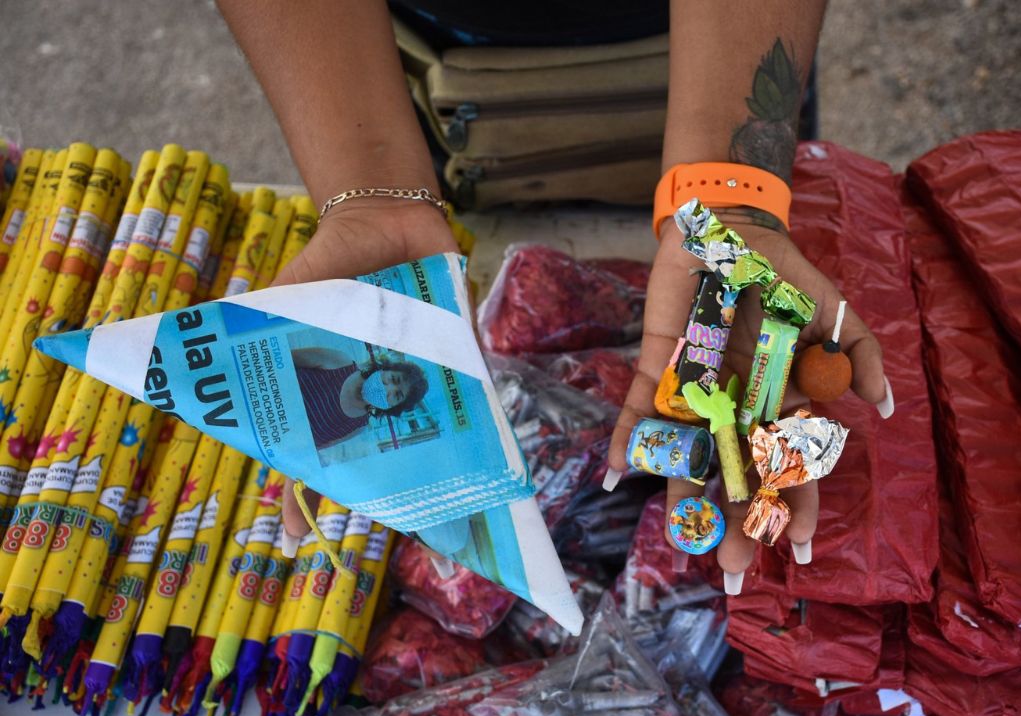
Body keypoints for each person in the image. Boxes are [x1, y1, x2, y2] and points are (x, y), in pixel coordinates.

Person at [218, 0, 891, 593]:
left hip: (727, 49)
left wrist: (731, 199)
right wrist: (371, 189)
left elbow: (722, 221)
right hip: (402, 76)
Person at [292, 347, 429, 450]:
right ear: (385, 369)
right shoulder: (339, 362)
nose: (388, 389)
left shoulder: (357, 427)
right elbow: (281, 359)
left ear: (393, 408)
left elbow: (308, 449)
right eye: (393, 379)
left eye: (397, 395)